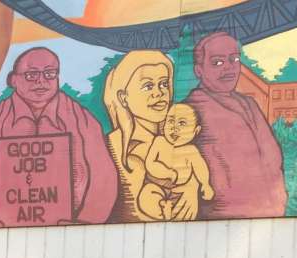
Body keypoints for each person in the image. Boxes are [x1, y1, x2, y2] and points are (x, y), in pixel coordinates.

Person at [0, 46, 117, 228]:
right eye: (31, 75)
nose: (41, 81)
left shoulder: (82, 119)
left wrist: (83, 223)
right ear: (13, 80)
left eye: (49, 74)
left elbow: (104, 178)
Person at [183, 32, 287, 219]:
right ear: (199, 70)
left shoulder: (250, 104)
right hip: (219, 221)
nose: (229, 68)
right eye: (218, 62)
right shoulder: (189, 110)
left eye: (235, 59)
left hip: (270, 215)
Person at [103, 50, 178, 222]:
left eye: (164, 84)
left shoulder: (178, 138)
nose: (159, 93)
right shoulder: (111, 147)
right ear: (123, 98)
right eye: (147, 86)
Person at [138, 103, 214, 220]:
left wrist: (205, 184)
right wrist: (168, 173)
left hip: (180, 192)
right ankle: (162, 208)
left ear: (196, 131)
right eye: (170, 121)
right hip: (156, 185)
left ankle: (167, 211)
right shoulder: (159, 141)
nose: (174, 128)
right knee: (146, 198)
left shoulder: (191, 150)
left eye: (182, 123)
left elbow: (200, 167)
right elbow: (150, 163)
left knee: (186, 210)